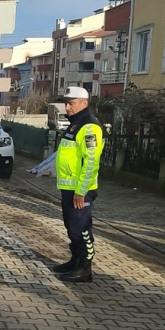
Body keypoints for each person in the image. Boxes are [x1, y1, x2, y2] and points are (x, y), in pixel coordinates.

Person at [53, 86, 104, 283]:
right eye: (66, 103)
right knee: (71, 226)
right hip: (69, 187)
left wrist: (81, 191)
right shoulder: (75, 124)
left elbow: (91, 162)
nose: (67, 107)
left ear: (84, 103)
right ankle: (75, 260)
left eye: (71, 103)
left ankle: (85, 268)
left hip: (80, 190)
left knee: (81, 228)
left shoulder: (89, 127)